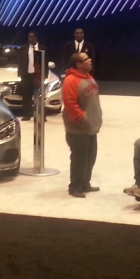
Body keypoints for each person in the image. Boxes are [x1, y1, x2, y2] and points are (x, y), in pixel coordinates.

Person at [62, 51, 102, 198]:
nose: (90, 60)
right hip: (78, 129)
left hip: (91, 127)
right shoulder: (71, 80)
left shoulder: (88, 76)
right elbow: (70, 104)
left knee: (91, 157)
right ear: (78, 64)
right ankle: (75, 187)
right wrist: (83, 118)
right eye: (86, 59)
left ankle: (85, 183)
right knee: (80, 159)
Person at [16, 31, 45, 120]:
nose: (30, 39)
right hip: (26, 75)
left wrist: (45, 75)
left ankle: (41, 115)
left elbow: (46, 62)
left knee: (39, 96)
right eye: (29, 37)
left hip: (38, 75)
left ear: (36, 38)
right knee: (26, 96)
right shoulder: (24, 48)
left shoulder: (42, 48)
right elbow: (20, 61)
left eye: (32, 37)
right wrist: (20, 74)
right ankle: (27, 114)